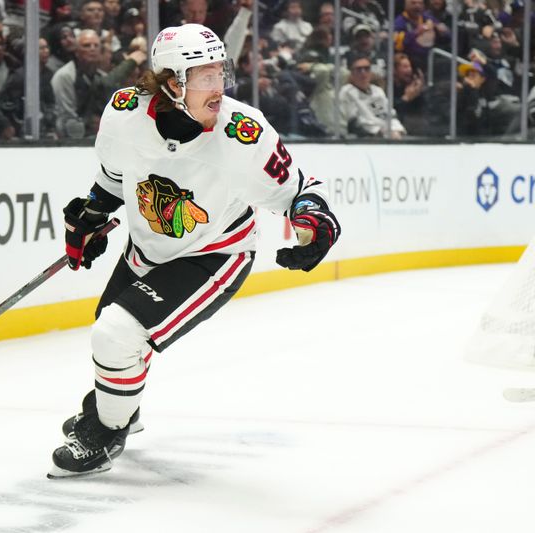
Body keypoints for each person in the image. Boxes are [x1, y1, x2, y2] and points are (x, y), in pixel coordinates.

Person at [47, 23, 340, 478]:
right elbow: (112, 178)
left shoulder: (243, 132)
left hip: (216, 253)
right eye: (204, 76)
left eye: (220, 73)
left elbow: (298, 189)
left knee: (116, 333)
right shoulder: (124, 113)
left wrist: (313, 221)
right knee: (113, 331)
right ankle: (122, 409)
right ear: (170, 82)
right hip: (146, 247)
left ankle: (106, 432)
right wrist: (91, 217)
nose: (218, 87)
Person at [339, 51, 406, 139]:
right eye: (359, 69)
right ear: (351, 73)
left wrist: (396, 129)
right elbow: (354, 123)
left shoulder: (377, 91)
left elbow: (390, 114)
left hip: (389, 134)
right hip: (364, 139)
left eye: (366, 69)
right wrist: (379, 131)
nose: (363, 73)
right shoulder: (346, 92)